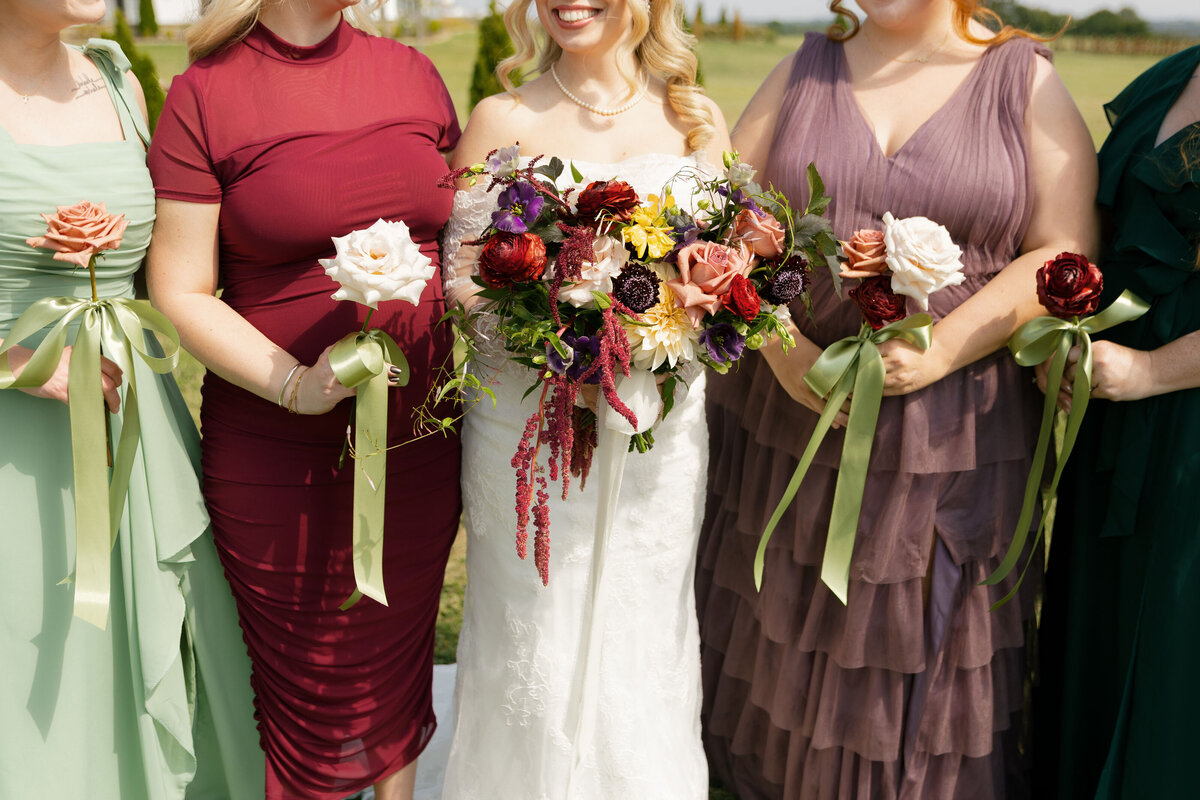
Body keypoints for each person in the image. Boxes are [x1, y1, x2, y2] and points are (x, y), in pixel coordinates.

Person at [696, 0, 1098, 796]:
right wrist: (783, 355)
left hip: (954, 434)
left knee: (922, 644)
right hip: (795, 424)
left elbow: (1065, 243)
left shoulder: (1023, 82)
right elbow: (714, 222)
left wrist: (945, 347)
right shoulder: (802, 68)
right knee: (790, 635)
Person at [145, 1, 462, 798]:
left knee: (397, 652)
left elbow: (466, 244)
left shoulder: (413, 75)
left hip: (420, 435)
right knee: (305, 682)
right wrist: (295, 384)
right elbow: (180, 288)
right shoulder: (206, 94)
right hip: (274, 446)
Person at [439, 1, 729, 797]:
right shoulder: (500, 115)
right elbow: (460, 282)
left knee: (645, 626)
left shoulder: (695, 123)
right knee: (532, 622)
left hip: (657, 436)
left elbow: (728, 281)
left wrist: (664, 323)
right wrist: (561, 327)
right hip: (523, 428)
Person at [0, 0, 261, 798]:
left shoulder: (115, 74)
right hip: (17, 442)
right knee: (33, 661)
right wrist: (11, 360)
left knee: (159, 643)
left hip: (135, 421)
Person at [1033, 45, 1200, 800]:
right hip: (1109, 404)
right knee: (1098, 625)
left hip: (1186, 414)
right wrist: (1061, 336)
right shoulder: (1175, 74)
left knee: (1173, 644)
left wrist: (1153, 372)